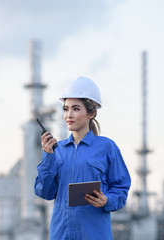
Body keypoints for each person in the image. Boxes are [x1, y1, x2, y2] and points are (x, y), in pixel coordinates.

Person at [34, 76, 131, 240]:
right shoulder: (57, 151)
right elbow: (45, 192)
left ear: (91, 113)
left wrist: (107, 200)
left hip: (94, 234)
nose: (68, 115)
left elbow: (121, 190)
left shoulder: (106, 147)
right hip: (60, 234)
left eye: (76, 109)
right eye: (66, 109)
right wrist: (48, 156)